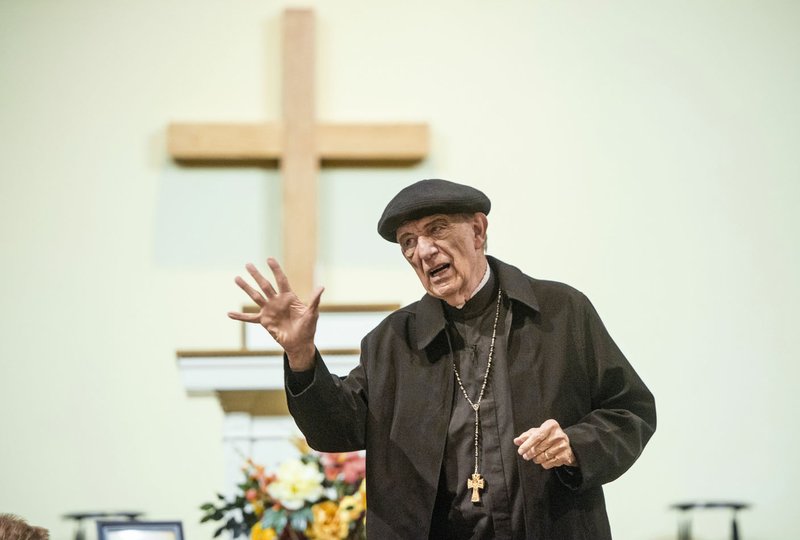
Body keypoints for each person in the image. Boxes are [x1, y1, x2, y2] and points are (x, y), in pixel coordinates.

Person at [229, 178, 656, 539]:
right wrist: (301, 355)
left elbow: (631, 410)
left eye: (436, 230)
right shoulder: (393, 342)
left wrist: (575, 445)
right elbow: (336, 429)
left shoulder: (561, 312)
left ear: (478, 230)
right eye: (408, 242)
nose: (423, 251)